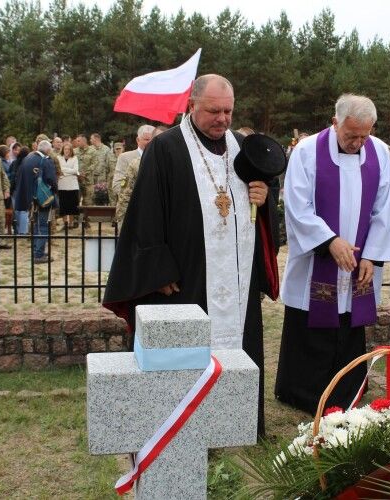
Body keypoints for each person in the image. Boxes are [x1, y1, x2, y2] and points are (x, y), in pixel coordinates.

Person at [102, 74, 279, 436]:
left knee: (240, 346)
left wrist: (263, 197)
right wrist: (159, 268)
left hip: (236, 274)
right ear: (191, 105)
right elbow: (146, 213)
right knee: (190, 351)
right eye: (214, 111)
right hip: (189, 276)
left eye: (228, 111)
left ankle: (238, 424)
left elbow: (262, 206)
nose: (223, 119)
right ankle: (186, 426)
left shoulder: (242, 145)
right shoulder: (166, 148)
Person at [274, 94, 390, 414]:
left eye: (364, 135)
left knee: (350, 324)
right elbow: (297, 206)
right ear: (335, 122)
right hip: (318, 260)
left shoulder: (380, 153)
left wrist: (371, 255)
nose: (357, 142)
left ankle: (348, 389)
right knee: (312, 325)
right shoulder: (306, 152)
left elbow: (384, 210)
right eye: (350, 135)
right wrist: (329, 241)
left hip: (358, 264)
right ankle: (303, 392)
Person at [13, 140, 57, 262]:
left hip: (30, 198)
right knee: (43, 225)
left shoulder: (27, 159)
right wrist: (55, 191)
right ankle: (38, 254)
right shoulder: (46, 160)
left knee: (36, 225)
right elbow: (52, 180)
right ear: (47, 150)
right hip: (43, 198)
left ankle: (36, 250)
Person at [111, 124, 153, 196]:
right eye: (147, 139)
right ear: (138, 140)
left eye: (153, 139)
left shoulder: (160, 158)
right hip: (133, 204)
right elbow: (117, 186)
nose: (151, 142)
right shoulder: (125, 158)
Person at [57, 142, 80, 229]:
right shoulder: (59, 158)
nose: (67, 151)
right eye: (65, 149)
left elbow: (75, 170)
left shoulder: (74, 158)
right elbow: (59, 169)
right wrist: (69, 171)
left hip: (72, 185)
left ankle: (71, 223)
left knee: (72, 205)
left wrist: (64, 171)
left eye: (69, 149)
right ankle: (65, 223)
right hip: (62, 185)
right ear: (63, 149)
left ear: (71, 150)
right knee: (63, 204)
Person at [74, 134, 98, 207]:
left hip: (88, 180)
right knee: (75, 199)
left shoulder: (93, 151)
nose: (77, 142)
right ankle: (75, 217)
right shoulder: (74, 151)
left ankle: (86, 217)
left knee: (88, 201)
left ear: (84, 141)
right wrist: (78, 173)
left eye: (79, 141)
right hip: (76, 179)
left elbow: (95, 163)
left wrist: (85, 173)